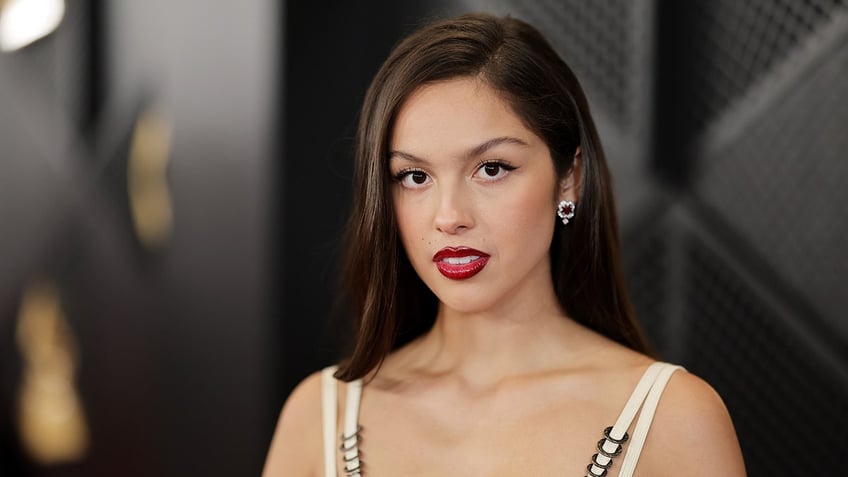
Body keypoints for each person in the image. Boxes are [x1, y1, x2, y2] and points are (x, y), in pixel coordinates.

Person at [263, 12, 746, 477]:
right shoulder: (321, 416)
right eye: (414, 176)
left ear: (569, 179)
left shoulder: (675, 418)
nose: (449, 217)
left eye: (491, 168)